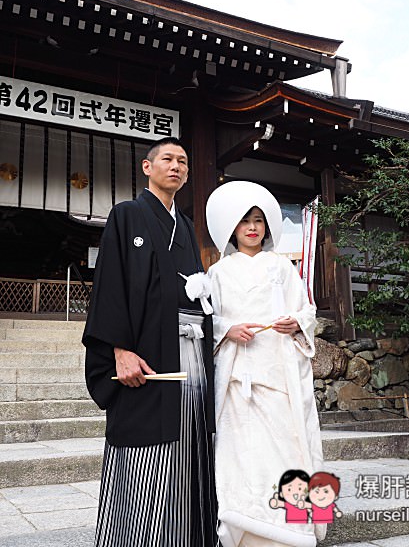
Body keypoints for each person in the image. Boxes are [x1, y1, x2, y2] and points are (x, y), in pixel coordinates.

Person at [82, 137, 216, 547]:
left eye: (183, 161)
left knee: (189, 441)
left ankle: (188, 537)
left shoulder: (187, 226)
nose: (176, 166)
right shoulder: (126, 215)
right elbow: (109, 287)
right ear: (147, 167)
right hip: (144, 352)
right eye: (168, 159)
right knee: (145, 451)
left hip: (188, 352)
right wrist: (119, 350)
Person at [206, 181, 325, 547]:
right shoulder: (219, 272)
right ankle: (245, 525)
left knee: (284, 444)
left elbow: (306, 309)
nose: (252, 227)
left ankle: (291, 525)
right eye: (244, 221)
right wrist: (228, 329)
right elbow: (209, 318)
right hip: (238, 373)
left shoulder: (282, 267)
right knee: (240, 450)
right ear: (232, 229)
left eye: (258, 220)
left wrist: (297, 322)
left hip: (278, 369)